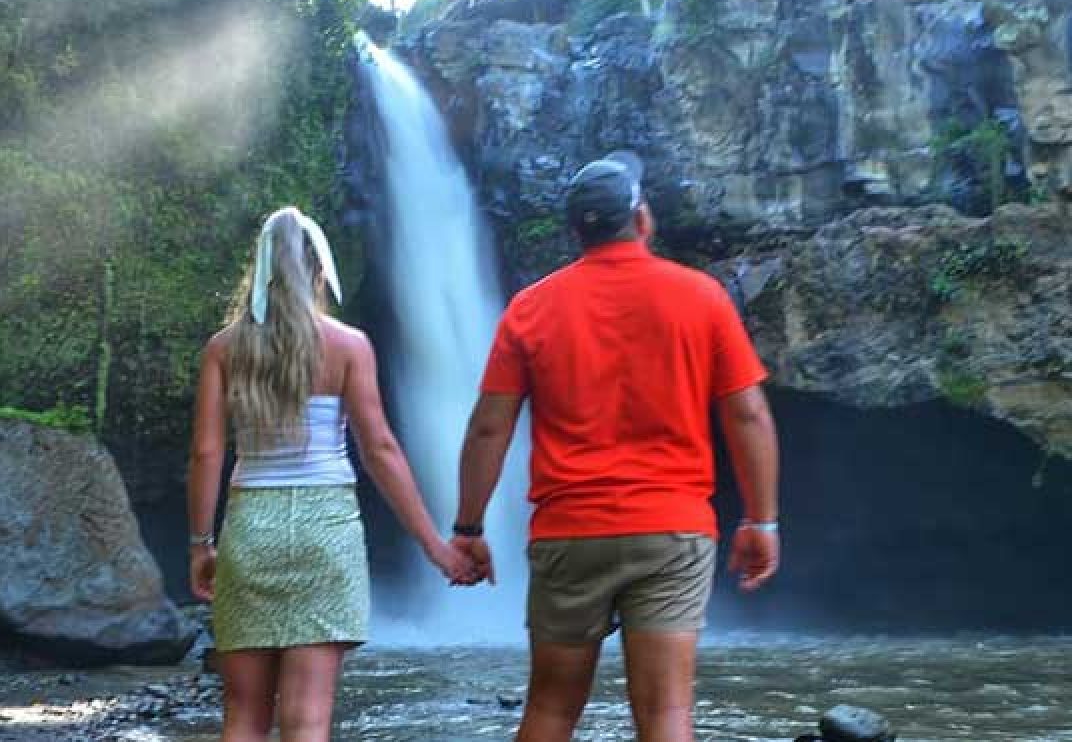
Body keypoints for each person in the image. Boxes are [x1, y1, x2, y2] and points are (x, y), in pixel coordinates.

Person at [451, 152, 781, 742]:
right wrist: (761, 520)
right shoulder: (701, 297)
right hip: (671, 532)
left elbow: (487, 428)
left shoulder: (531, 308)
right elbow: (748, 413)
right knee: (666, 714)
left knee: (550, 710)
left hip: (569, 531)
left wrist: (469, 529)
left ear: (577, 231)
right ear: (643, 220)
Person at [187, 206, 473, 742]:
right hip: (326, 532)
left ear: (260, 270)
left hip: (251, 529)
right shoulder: (347, 346)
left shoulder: (225, 349)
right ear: (318, 274)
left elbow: (206, 453)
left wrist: (201, 543)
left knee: (244, 714)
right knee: (309, 717)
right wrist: (435, 545)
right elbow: (381, 449)